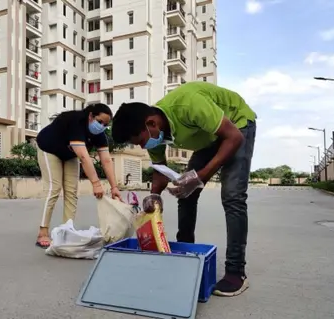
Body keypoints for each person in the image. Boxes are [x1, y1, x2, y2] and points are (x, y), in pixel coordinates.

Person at [111, 81, 257, 297]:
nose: (143, 147)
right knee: (186, 194)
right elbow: (160, 171)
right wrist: (154, 196)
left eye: (141, 141)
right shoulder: (155, 132)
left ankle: (236, 272)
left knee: (233, 196)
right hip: (210, 137)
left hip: (237, 125)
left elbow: (233, 138)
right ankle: (185, 251)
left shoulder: (188, 104)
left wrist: (200, 176)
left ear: (151, 123)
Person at [34, 103, 123, 249]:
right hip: (48, 148)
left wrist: (114, 187)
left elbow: (106, 160)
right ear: (90, 116)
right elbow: (83, 156)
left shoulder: (99, 135)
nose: (101, 126)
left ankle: (66, 231)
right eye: (99, 121)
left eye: (105, 125)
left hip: (69, 154)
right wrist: (96, 183)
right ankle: (43, 232)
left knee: (72, 192)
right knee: (53, 188)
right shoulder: (76, 121)